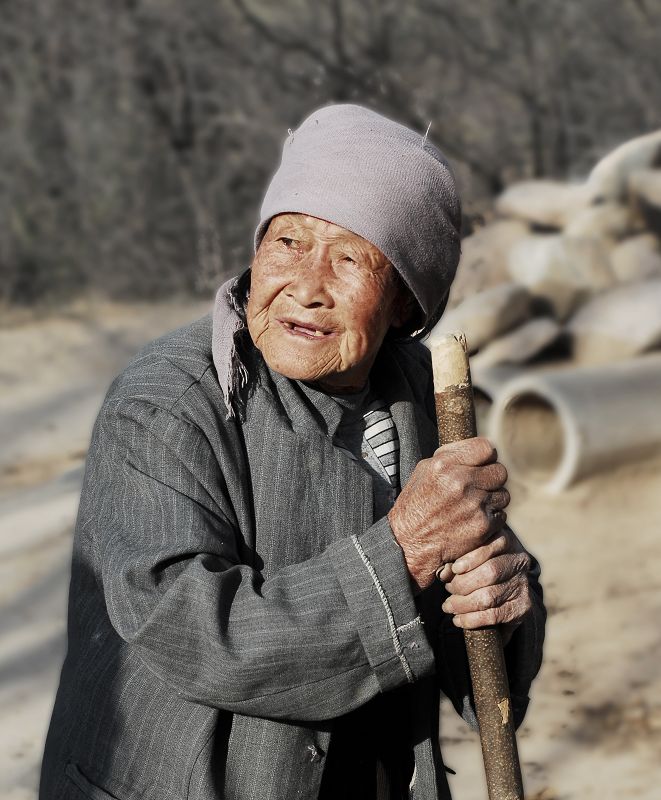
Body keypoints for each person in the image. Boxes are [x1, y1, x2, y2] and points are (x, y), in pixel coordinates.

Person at [39, 104, 545, 800]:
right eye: (286, 243)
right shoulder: (164, 405)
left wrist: (506, 603)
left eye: (348, 258)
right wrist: (403, 554)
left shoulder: (423, 393)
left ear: (403, 301)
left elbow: (467, 592)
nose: (305, 286)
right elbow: (194, 632)